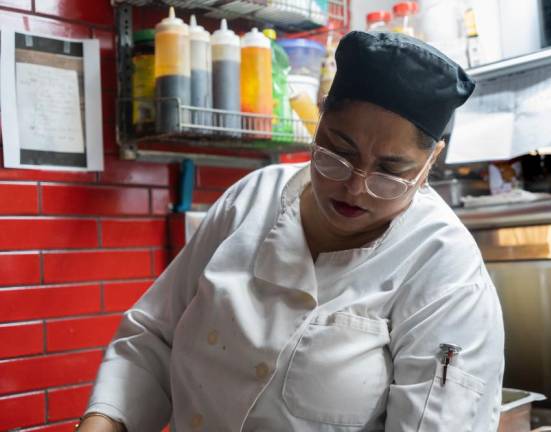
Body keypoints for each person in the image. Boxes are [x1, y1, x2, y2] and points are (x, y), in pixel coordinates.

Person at [78, 31, 504, 432]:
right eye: (338, 151)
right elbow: (154, 337)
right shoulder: (252, 199)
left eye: (391, 171)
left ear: (432, 160)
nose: (355, 186)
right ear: (318, 118)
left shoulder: (444, 268)